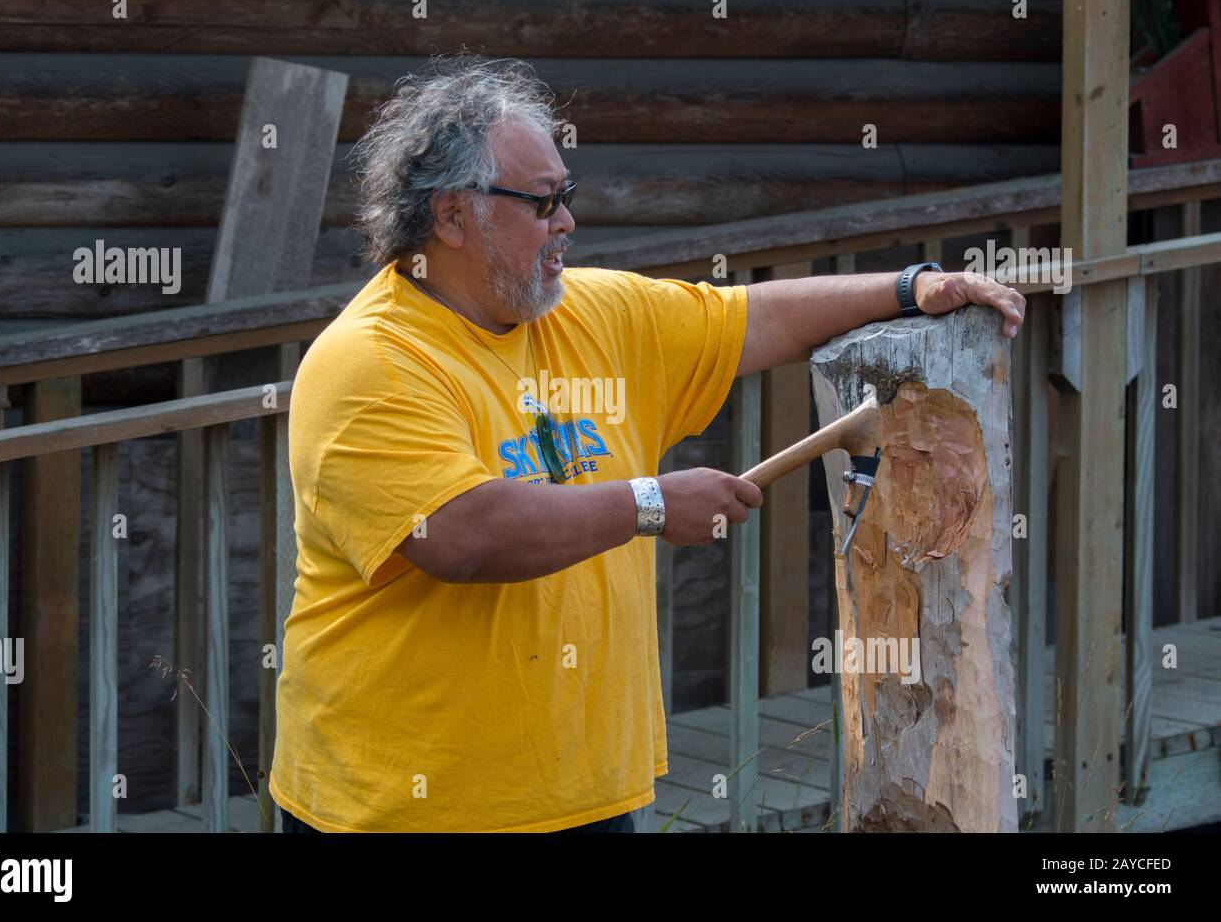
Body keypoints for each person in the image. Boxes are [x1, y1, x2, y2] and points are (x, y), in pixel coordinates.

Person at [269, 54, 1025, 833]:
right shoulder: (372, 360)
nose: (566, 221)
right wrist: (652, 504)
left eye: (567, 195)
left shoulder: (593, 313)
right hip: (401, 809)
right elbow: (461, 534)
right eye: (543, 202)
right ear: (454, 216)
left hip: (585, 796)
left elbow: (754, 318)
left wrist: (911, 287)